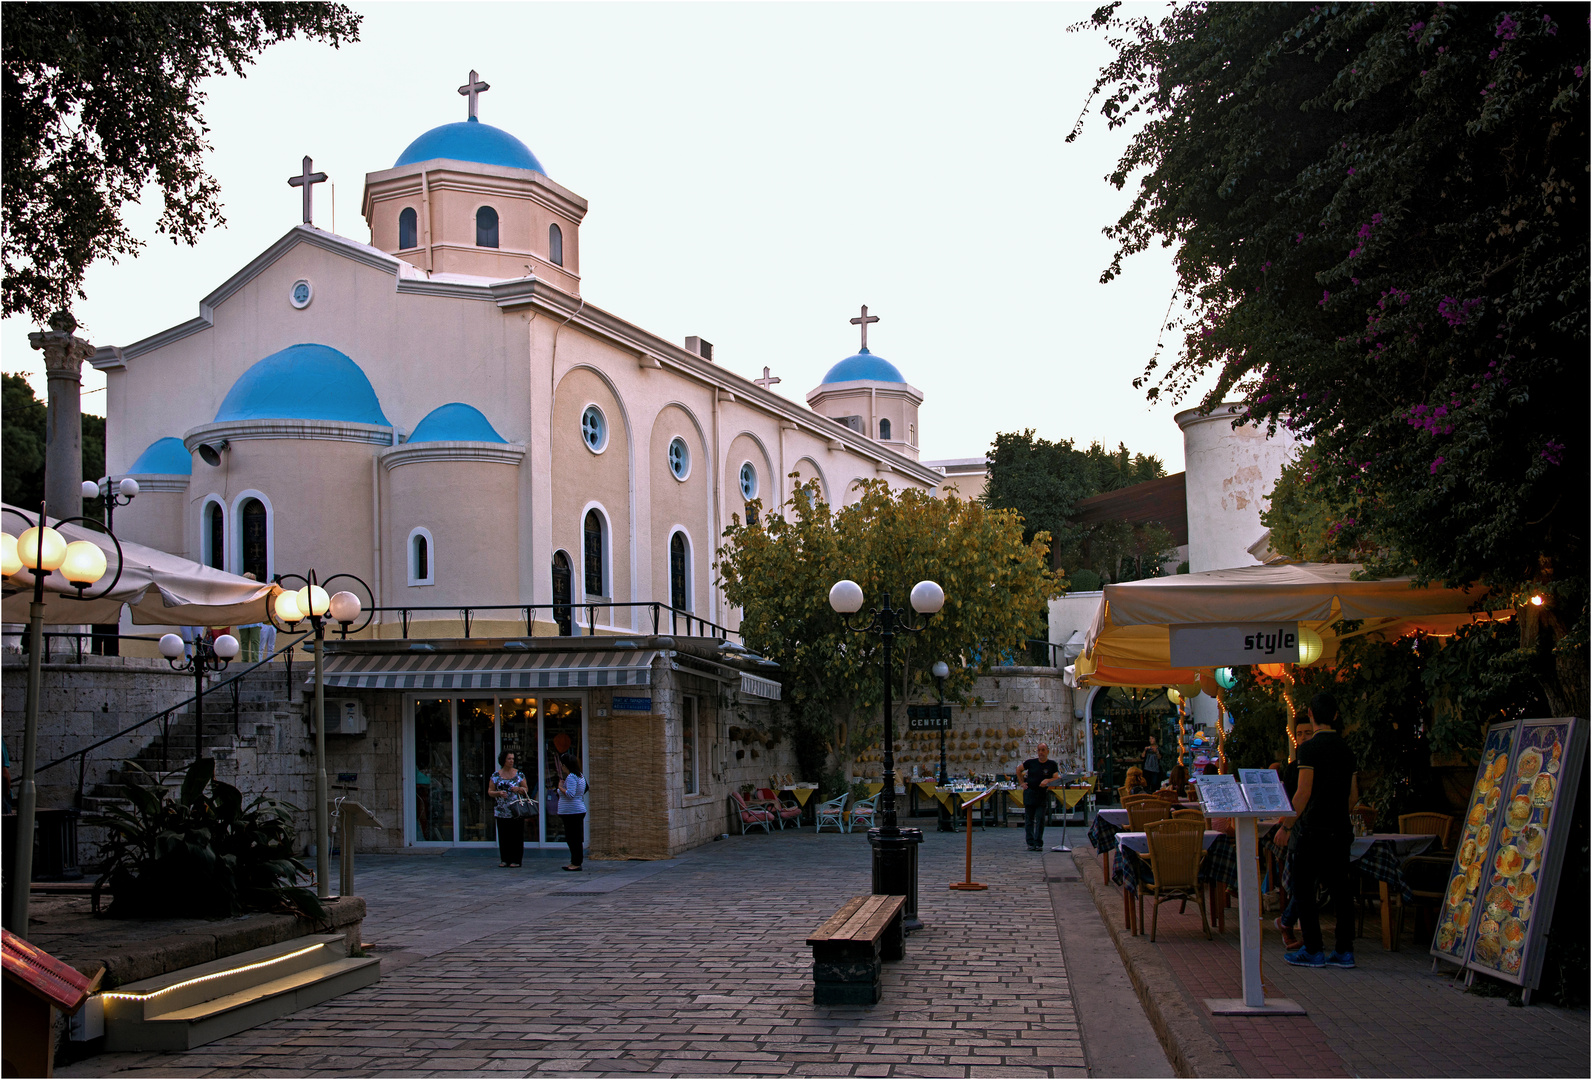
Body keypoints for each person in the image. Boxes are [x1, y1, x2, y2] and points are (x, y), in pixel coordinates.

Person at [1276, 693, 1358, 969]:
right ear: (1335, 715)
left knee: (1303, 887)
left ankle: (1313, 948)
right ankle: (1344, 950)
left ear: (1311, 715)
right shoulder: (1347, 751)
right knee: (1341, 890)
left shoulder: (1309, 750)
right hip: (1340, 828)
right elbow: (1352, 798)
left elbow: (1303, 792)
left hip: (1315, 828)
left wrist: (1287, 825)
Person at [1271, 719, 1314, 949]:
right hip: (1299, 829)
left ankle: (1288, 922)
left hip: (1316, 828)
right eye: (1299, 733)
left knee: (1309, 880)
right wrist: (1287, 827)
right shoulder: (1293, 768)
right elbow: (1290, 800)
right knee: (1304, 880)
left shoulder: (1318, 760)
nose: (1304, 736)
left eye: (1308, 732)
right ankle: (1289, 924)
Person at [1018, 743, 1063, 851]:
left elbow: (1056, 779)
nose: (1041, 753)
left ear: (1047, 751)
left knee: (1040, 818)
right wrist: (1022, 783)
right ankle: (1030, 842)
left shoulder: (1052, 764)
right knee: (1029, 819)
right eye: (1039, 750)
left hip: (1042, 794)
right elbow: (1019, 770)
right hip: (1030, 792)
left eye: (1043, 750)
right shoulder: (1031, 762)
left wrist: (1048, 780)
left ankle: (1038, 842)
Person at [488, 750, 530, 867]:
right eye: (509, 759)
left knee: (516, 835)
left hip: (516, 810)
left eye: (512, 759)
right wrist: (498, 793)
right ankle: (505, 859)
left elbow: (526, 788)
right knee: (503, 835)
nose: (511, 761)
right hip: (502, 810)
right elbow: (490, 791)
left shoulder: (519, 774)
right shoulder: (496, 775)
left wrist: (519, 789)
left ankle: (516, 860)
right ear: (503, 760)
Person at [556, 751, 588, 871]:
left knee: (573, 838)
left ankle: (576, 862)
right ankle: (575, 861)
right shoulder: (580, 776)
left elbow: (570, 794)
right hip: (575, 810)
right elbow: (585, 789)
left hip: (572, 812)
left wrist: (560, 787)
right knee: (574, 838)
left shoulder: (571, 777)